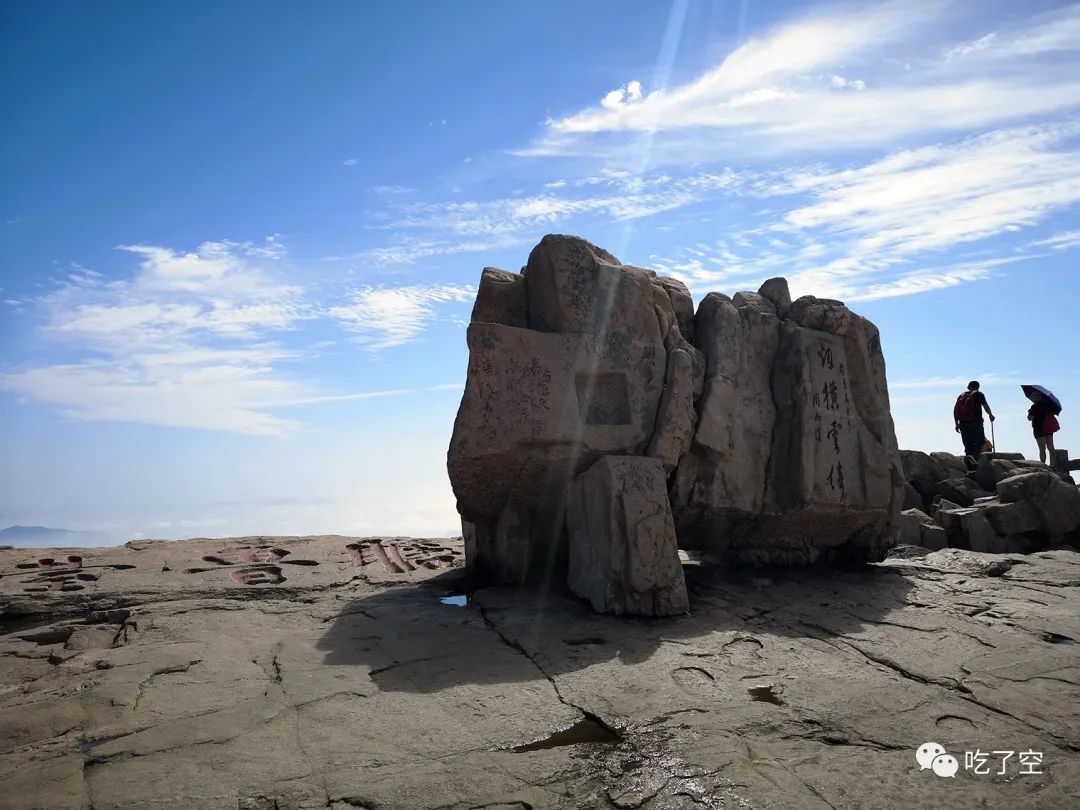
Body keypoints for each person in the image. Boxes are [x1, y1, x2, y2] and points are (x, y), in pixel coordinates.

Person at [954, 380, 995, 465]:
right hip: (976, 422)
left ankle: (969, 463)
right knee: (979, 442)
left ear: (968, 387)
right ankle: (975, 460)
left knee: (967, 444)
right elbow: (985, 406)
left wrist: (956, 424)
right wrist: (990, 414)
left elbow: (955, 411)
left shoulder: (962, 396)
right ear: (978, 387)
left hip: (963, 423)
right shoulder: (979, 394)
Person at [1026, 390, 1061, 466]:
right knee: (1051, 447)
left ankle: (1043, 465)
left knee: (1042, 449)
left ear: (1037, 397)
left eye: (1032, 396)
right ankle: (1053, 465)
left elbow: (1030, 418)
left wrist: (1030, 413)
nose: (1031, 398)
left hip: (1039, 428)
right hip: (1048, 428)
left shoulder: (1035, 406)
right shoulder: (1049, 405)